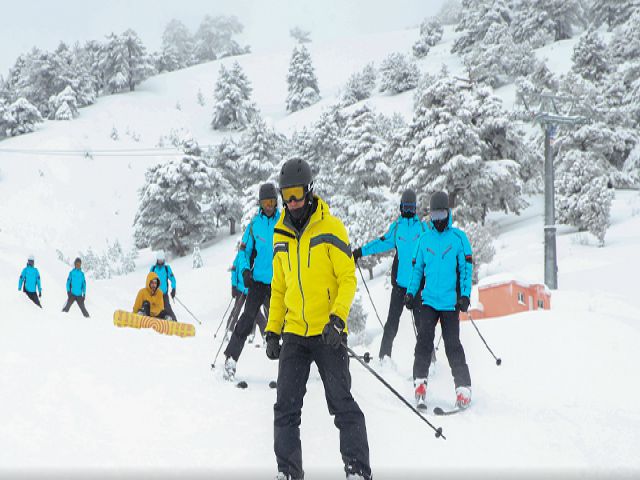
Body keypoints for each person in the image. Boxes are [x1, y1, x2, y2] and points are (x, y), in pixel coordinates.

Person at [265, 158, 371, 480]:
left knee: (342, 404)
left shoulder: (331, 228)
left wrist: (338, 319)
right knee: (285, 409)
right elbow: (279, 286)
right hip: (295, 333)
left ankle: (357, 469)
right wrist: (272, 329)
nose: (292, 202)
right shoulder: (280, 233)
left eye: (297, 194)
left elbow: (347, 278)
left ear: (310, 191)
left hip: (328, 333)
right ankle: (288, 472)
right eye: (287, 195)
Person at [404, 191, 473, 409]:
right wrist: (410, 292)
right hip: (429, 302)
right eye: (434, 216)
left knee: (453, 345)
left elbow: (465, 269)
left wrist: (464, 295)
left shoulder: (458, 238)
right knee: (424, 343)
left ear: (448, 213)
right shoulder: (425, 240)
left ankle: (463, 388)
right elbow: (417, 270)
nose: (438, 220)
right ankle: (420, 384)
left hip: (451, 303)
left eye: (441, 214)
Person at [352, 189, 427, 361]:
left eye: (411, 207)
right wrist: (361, 252)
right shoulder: (397, 228)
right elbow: (381, 243)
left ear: (415, 208)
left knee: (423, 327)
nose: (408, 211)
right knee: (391, 324)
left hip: (418, 287)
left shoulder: (423, 228)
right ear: (401, 208)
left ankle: (429, 362)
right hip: (400, 286)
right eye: (405, 207)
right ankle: (384, 359)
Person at [223, 183, 280, 380]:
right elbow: (243, 251)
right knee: (246, 320)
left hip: (278, 284)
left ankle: (295, 365)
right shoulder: (254, 224)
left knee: (287, 323)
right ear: (260, 203)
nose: (269, 206)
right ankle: (231, 359)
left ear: (277, 201)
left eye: (272, 201)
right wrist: (246, 270)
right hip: (256, 282)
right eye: (266, 202)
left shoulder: (283, 221)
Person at [227, 245, 267, 341]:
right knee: (236, 310)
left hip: (251, 290)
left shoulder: (255, 257)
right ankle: (229, 330)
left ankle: (263, 334)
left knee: (255, 313)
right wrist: (233, 286)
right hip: (240, 289)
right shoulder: (240, 257)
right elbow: (234, 271)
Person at [150, 251, 177, 321]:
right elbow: (149, 280)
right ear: (157, 260)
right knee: (152, 308)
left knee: (167, 308)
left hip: (163, 294)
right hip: (154, 294)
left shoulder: (166, 268)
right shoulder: (153, 268)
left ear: (163, 259)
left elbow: (173, 279)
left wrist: (173, 289)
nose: (160, 261)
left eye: (161, 260)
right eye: (159, 260)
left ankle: (174, 321)